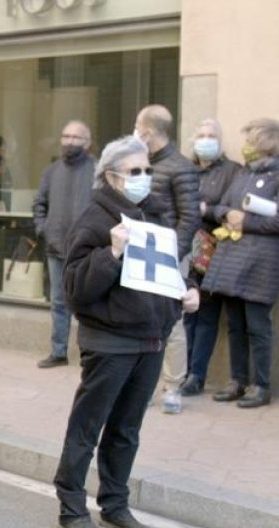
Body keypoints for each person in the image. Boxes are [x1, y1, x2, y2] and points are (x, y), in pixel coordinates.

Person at [54, 136, 199, 528]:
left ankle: (115, 504)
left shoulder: (152, 215)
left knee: (126, 429)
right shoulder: (94, 221)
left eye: (148, 170)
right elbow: (75, 288)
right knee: (88, 426)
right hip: (110, 341)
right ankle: (71, 507)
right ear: (113, 176)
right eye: (136, 171)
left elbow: (167, 269)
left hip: (150, 339)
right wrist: (112, 254)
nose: (145, 178)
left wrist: (187, 292)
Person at [201, 118, 279, 409]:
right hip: (233, 260)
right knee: (235, 324)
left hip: (262, 263)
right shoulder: (242, 173)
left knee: (258, 326)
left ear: (267, 142)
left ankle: (261, 386)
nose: (245, 146)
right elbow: (221, 205)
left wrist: (247, 221)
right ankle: (238, 380)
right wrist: (226, 215)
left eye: (251, 139)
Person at [134, 104, 200, 414]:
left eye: (137, 126)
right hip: (140, 251)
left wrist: (173, 253)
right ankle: (144, 385)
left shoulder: (181, 167)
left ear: (147, 132)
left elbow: (189, 217)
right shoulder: (139, 162)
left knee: (172, 323)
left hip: (170, 255)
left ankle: (173, 386)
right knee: (142, 320)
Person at [182, 119, 241, 396]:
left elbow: (234, 209)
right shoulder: (187, 170)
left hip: (215, 252)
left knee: (206, 315)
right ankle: (183, 371)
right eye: (201, 135)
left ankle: (196, 375)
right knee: (186, 314)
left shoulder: (232, 172)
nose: (206, 140)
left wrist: (208, 209)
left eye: (212, 135)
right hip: (185, 250)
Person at [33, 120, 94, 368]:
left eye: (77, 137)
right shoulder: (51, 171)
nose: (70, 141)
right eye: (66, 136)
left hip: (88, 249)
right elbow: (39, 204)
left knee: (89, 304)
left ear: (87, 143)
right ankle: (58, 352)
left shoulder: (98, 170)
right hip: (56, 247)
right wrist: (43, 228)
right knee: (59, 302)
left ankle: (89, 354)